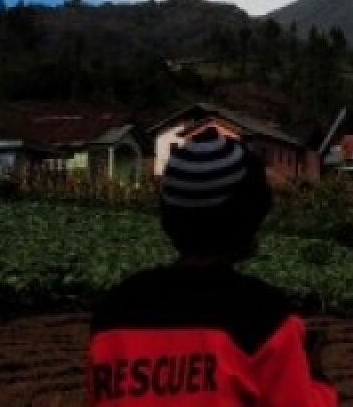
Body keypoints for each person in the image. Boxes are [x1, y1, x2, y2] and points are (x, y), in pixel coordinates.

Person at [87, 128, 337, 406]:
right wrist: (316, 376)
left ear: (169, 219)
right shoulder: (263, 317)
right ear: (248, 219)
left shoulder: (113, 312)